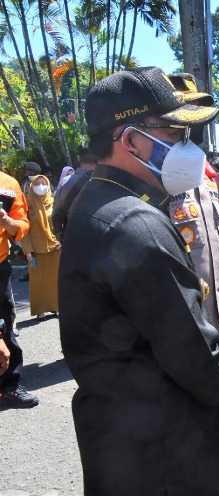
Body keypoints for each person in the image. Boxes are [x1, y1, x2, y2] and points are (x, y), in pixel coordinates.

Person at [58, 66, 219, 496]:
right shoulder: (136, 222)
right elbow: (189, 346)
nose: (189, 149)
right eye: (175, 134)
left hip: (125, 437)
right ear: (132, 140)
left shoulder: (102, 201)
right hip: (162, 451)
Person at [166, 71, 219, 351]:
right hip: (180, 324)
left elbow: (216, 247)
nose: (193, 124)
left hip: (214, 320)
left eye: (197, 113)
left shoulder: (204, 177)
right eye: (186, 114)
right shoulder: (155, 183)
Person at [0, 168, 35, 408]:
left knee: (5, 324)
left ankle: (9, 386)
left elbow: (21, 226)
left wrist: (7, 221)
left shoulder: (8, 185)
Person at [21, 175, 60, 320]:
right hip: (35, 249)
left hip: (54, 246)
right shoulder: (27, 205)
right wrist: (28, 250)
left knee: (55, 278)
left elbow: (59, 224)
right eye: (37, 183)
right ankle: (40, 310)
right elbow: (24, 231)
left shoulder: (54, 203)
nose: (41, 186)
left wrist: (60, 240)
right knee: (38, 281)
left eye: (44, 183)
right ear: (31, 186)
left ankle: (56, 306)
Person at [52, 144, 98, 242]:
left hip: (71, 240)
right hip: (97, 242)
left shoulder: (64, 182)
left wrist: (60, 237)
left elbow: (56, 215)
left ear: (78, 157)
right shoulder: (104, 183)